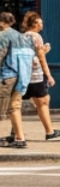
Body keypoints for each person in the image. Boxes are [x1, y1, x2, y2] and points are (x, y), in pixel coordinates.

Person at [18, 13, 60, 142]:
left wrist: (42, 52)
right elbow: (41, 59)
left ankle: (15, 132)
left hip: (23, 74)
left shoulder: (22, 36)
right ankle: (49, 131)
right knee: (42, 102)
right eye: (40, 22)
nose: (42, 25)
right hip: (35, 75)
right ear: (34, 24)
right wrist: (49, 75)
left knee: (18, 105)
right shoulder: (36, 36)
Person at [0, 11, 33, 148]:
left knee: (6, 107)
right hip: (21, 76)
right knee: (15, 106)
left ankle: (19, 137)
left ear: (1, 22)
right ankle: (16, 135)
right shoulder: (20, 36)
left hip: (6, 75)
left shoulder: (3, 35)